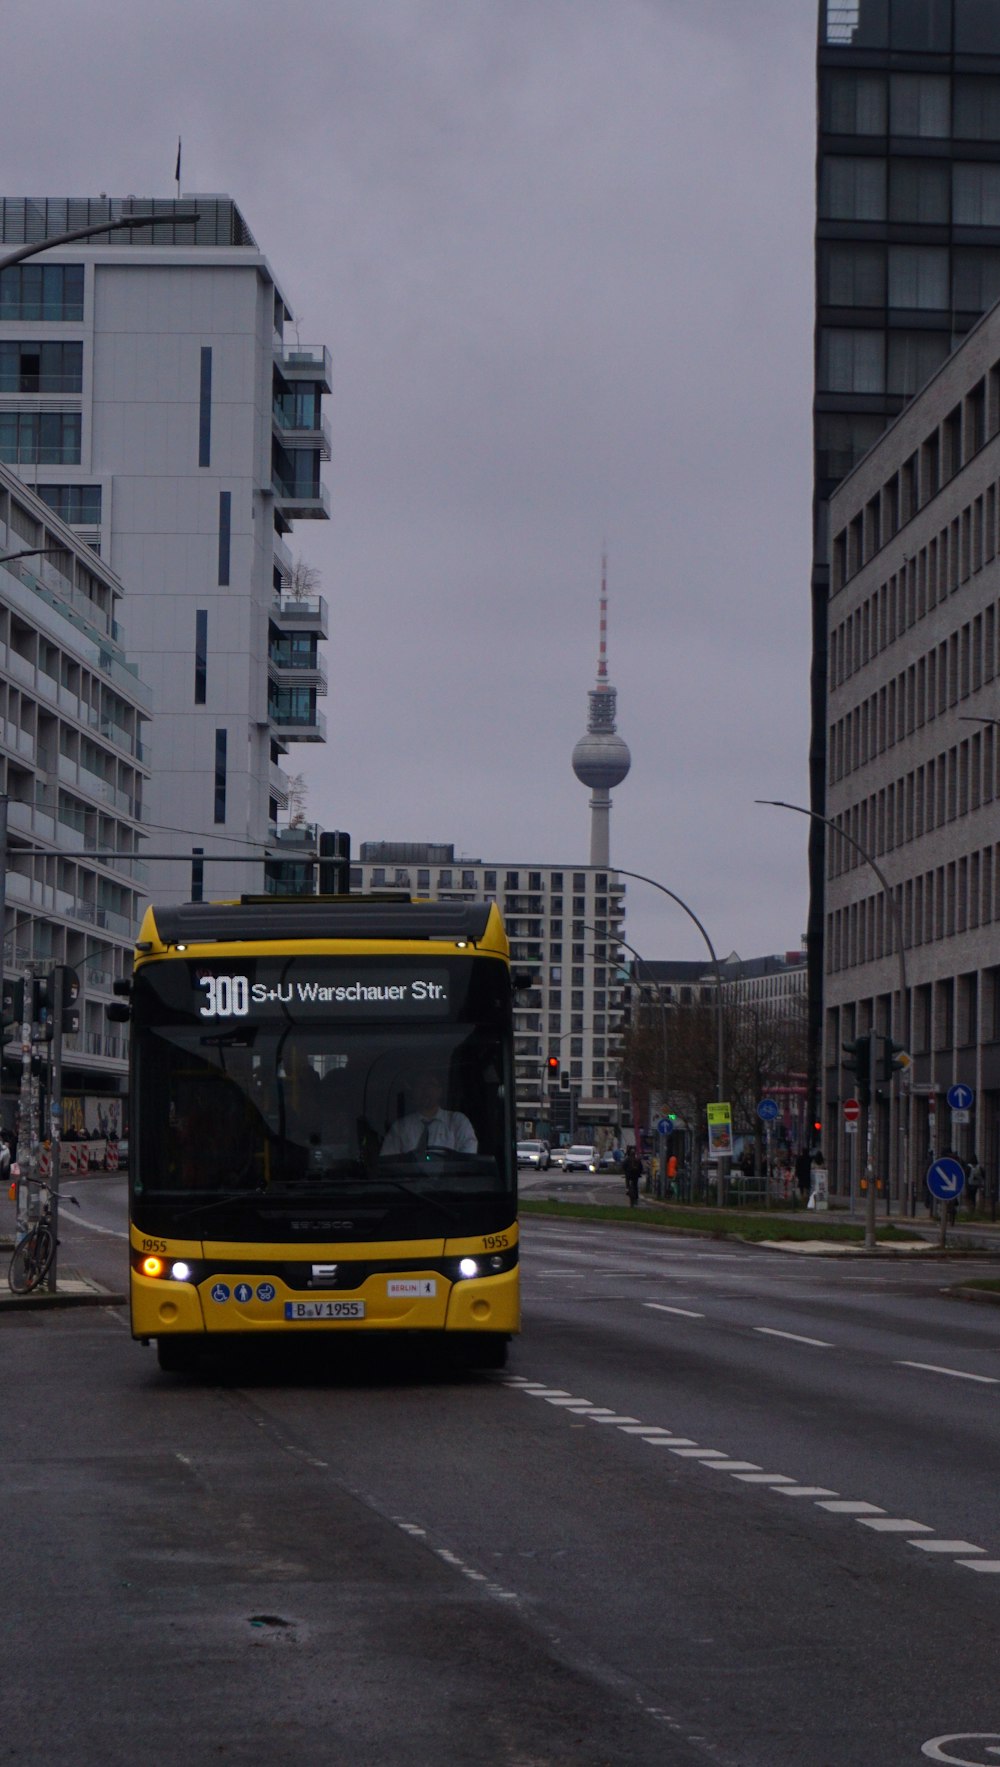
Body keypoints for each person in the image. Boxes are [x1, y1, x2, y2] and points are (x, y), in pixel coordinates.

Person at [381, 1069, 477, 1156]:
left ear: (440, 1090)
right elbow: (389, 1160)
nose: (425, 1090)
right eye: (420, 1085)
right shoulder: (401, 1127)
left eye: (430, 1085)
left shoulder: (457, 1121)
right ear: (413, 1091)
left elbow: (468, 1156)